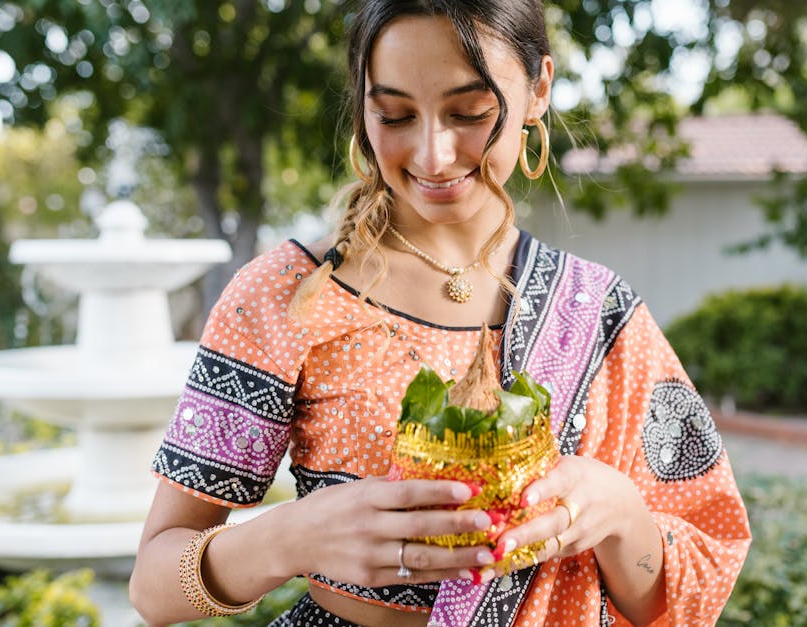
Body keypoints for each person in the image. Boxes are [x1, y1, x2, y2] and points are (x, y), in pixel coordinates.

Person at [129, 1, 752, 625]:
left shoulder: (599, 312)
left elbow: (683, 596)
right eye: (395, 115)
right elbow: (153, 586)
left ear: (538, 89)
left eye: (470, 112)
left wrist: (617, 511)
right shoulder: (288, 294)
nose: (432, 154)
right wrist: (289, 537)